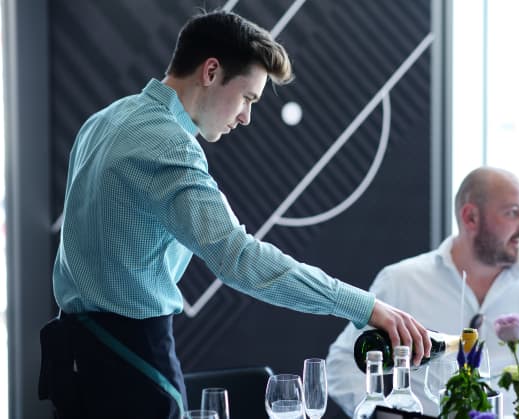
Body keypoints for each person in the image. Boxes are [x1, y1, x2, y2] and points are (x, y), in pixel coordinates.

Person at [37, 10, 432, 419]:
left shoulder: (103, 121)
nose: (245, 116)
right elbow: (239, 259)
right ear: (211, 71)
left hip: (78, 364)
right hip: (130, 367)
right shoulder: (169, 146)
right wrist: (364, 307)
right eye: (247, 97)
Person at [326, 166, 519, 417]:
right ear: (470, 218)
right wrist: (385, 414)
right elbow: (340, 366)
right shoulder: (402, 281)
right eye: (513, 213)